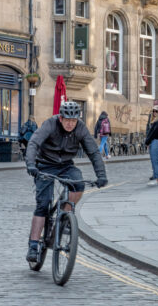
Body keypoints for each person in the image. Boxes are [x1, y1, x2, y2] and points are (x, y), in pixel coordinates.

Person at [24, 101, 108, 263]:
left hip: (66, 166)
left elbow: (93, 152)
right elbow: (34, 142)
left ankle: (64, 217)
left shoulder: (81, 128)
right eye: (67, 120)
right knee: (43, 204)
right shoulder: (50, 124)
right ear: (61, 118)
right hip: (45, 166)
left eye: (74, 120)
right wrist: (31, 165)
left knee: (78, 184)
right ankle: (33, 245)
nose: (70, 124)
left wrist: (101, 175)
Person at [145, 105, 158, 186]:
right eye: (153, 111)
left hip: (156, 141)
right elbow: (150, 133)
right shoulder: (154, 122)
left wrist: (147, 142)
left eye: (156, 111)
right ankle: (156, 179)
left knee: (155, 160)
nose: (154, 113)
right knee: (153, 160)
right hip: (153, 142)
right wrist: (148, 142)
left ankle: (156, 179)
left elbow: (153, 133)